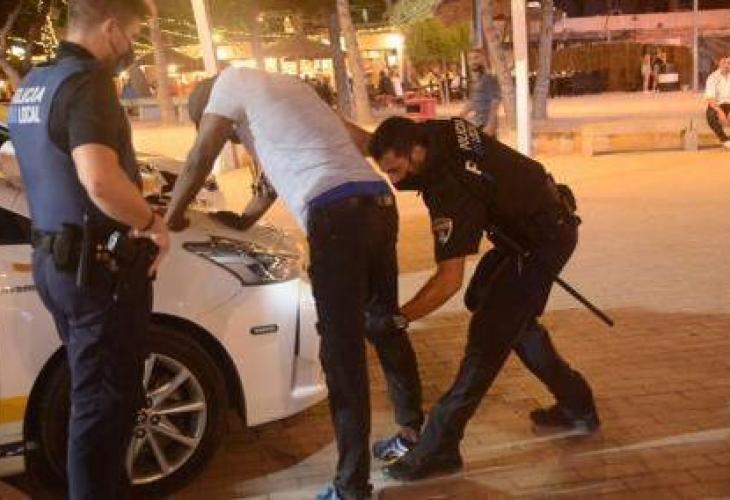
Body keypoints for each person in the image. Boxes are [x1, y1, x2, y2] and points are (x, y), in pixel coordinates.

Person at [164, 68, 423, 500]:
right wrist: (245, 220)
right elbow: (284, 170)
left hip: (336, 215)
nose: (232, 139)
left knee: (342, 357)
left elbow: (198, 158)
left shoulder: (227, 87)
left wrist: (167, 222)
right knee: (383, 324)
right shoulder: (286, 87)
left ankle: (351, 486)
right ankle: (413, 435)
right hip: (377, 203)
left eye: (228, 132)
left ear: (211, 107)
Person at [367, 116, 599, 481]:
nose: (394, 182)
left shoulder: (450, 188)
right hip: (531, 230)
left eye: (396, 170)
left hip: (543, 242)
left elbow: (448, 281)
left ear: (416, 152)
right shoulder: (434, 131)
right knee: (494, 308)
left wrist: (398, 318)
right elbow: (370, 141)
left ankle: (441, 447)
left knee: (488, 338)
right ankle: (577, 403)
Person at [6, 0, 170, 498]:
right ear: (111, 27)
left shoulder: (34, 84)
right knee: (102, 408)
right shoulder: (88, 83)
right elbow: (99, 180)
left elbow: (30, 168)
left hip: (57, 262)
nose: (131, 46)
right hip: (96, 269)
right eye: (132, 34)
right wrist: (152, 224)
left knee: (101, 399)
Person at [461, 61, 501, 137]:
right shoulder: (475, 84)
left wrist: (491, 123)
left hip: (486, 122)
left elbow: (495, 101)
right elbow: (473, 102)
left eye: (475, 71)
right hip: (478, 121)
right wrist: (461, 115)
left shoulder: (488, 80)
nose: (473, 74)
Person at [704, 56, 730, 149]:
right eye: (724, 63)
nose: (726, 65)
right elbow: (711, 99)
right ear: (719, 64)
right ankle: (725, 140)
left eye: (729, 63)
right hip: (718, 105)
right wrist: (720, 112)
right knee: (710, 115)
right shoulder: (712, 77)